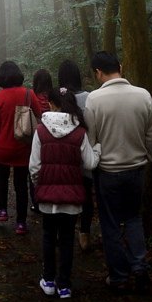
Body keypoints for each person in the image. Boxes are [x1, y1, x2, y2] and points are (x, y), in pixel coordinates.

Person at [84, 51, 152, 295]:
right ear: (120, 66)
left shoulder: (94, 100)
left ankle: (118, 277)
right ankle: (140, 267)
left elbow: (91, 138)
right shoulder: (143, 95)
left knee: (111, 224)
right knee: (134, 218)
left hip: (108, 172)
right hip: (136, 169)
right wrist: (148, 156)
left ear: (98, 72)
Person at [30, 87, 100, 299]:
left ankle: (48, 280)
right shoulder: (79, 133)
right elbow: (89, 163)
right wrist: (97, 149)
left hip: (48, 198)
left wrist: (41, 184)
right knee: (68, 239)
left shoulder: (41, 131)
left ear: (51, 104)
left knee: (49, 237)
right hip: (72, 197)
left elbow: (34, 168)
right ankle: (65, 285)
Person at [0, 60, 45, 235]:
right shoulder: (29, 93)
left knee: (1, 178)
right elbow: (40, 115)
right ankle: (21, 223)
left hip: (3, 148)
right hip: (23, 146)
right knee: (21, 185)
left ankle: (2, 210)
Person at [58, 59, 94, 251]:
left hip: (66, 158)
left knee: (68, 196)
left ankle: (65, 234)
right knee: (87, 196)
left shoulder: (59, 98)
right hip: (86, 154)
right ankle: (85, 234)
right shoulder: (90, 97)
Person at [29, 69, 52, 212]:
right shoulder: (54, 95)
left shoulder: (31, 97)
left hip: (35, 137)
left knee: (35, 168)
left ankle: (36, 202)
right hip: (53, 137)